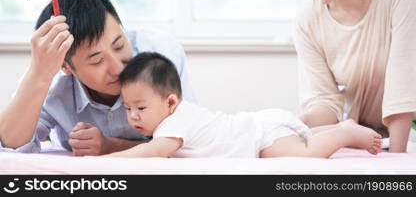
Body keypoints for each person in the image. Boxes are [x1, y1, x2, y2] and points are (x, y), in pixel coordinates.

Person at [279, 0, 416, 152]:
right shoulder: (307, 20)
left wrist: (398, 158)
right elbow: (325, 102)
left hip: (409, 133)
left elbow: (403, 82)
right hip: (367, 138)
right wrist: (295, 126)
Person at [0, 0, 196, 155]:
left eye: (119, 46)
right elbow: (12, 146)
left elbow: (190, 137)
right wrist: (38, 74)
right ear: (65, 67)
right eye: (96, 60)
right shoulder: (48, 80)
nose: (119, 68)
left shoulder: (160, 54)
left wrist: (111, 146)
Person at [106, 52, 382, 158]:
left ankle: (345, 132)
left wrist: (105, 161)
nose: (133, 116)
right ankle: (338, 128)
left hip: (260, 137)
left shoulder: (174, 123)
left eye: (140, 108)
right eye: (128, 108)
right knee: (304, 138)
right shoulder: (175, 118)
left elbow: (152, 152)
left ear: (170, 102)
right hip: (257, 126)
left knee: (305, 153)